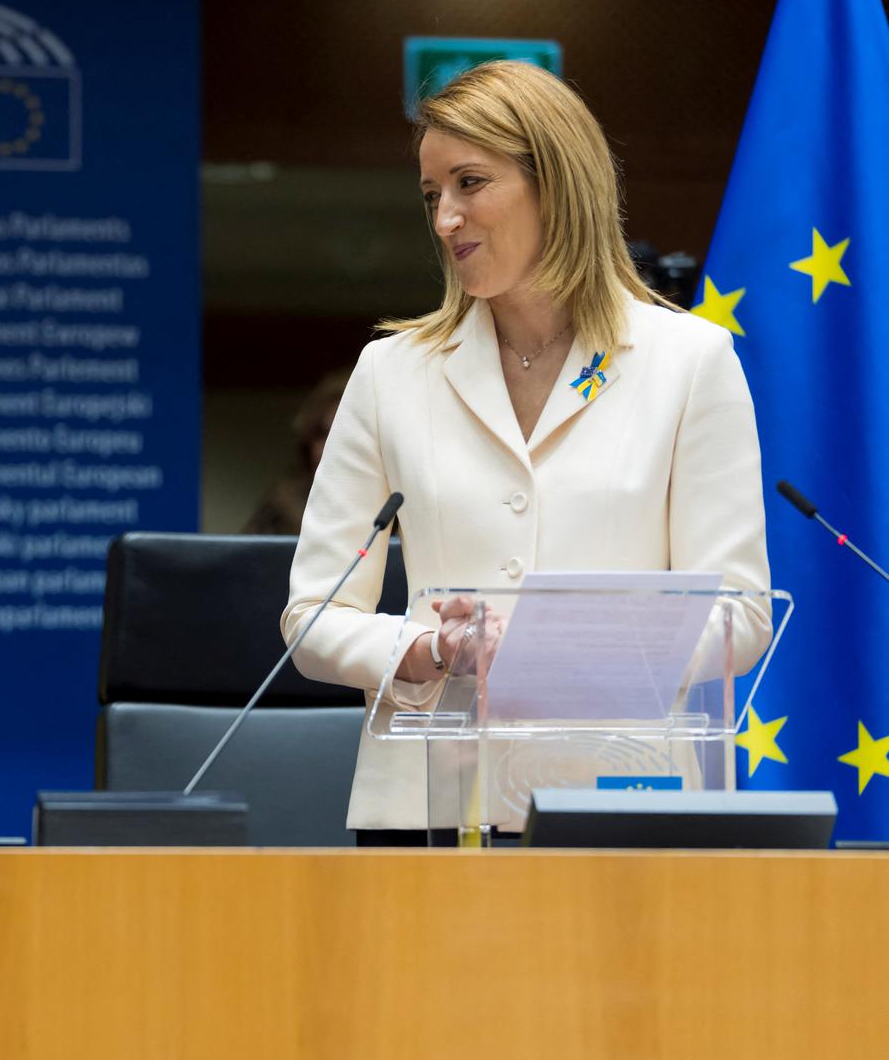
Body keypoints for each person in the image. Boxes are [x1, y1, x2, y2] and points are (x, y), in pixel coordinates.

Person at [282, 61, 771, 844]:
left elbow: (740, 614)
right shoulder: (391, 373)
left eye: (470, 182)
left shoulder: (692, 362)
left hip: (625, 802)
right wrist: (429, 647)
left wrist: (562, 649)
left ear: (558, 184)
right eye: (431, 193)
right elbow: (313, 615)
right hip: (427, 810)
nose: (445, 217)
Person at [242, 366, 352, 536]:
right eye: (322, 435)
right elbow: (248, 560)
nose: (330, 449)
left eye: (342, 435)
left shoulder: (398, 506)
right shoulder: (282, 506)